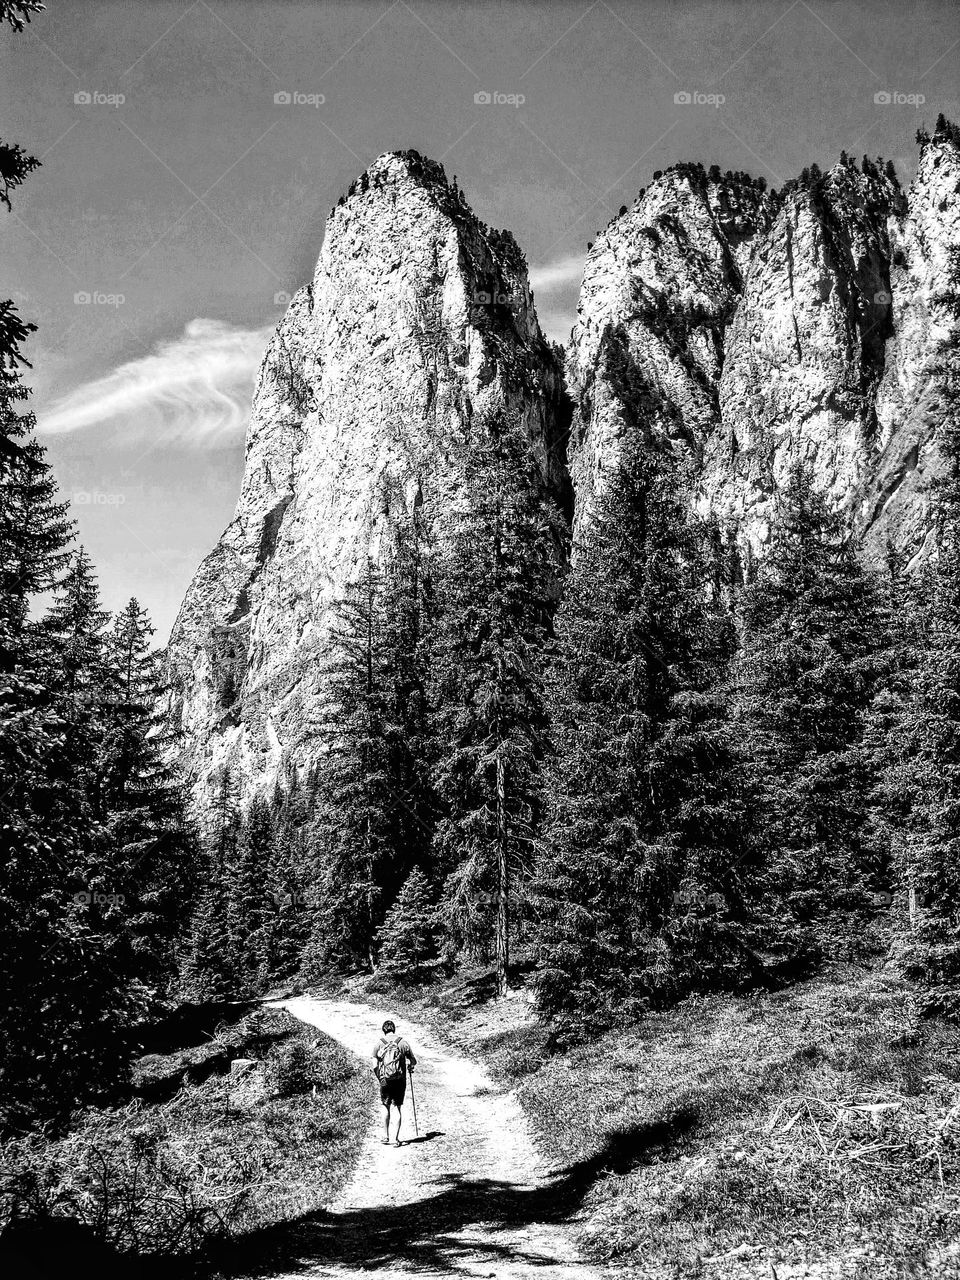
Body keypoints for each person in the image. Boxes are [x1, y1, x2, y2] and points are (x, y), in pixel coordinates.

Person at [371, 1019, 417, 1146]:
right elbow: (413, 1061)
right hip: (399, 1079)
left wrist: (380, 1078)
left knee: (385, 1105)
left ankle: (385, 1136)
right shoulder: (402, 1042)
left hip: (385, 1079)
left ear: (383, 1030)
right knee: (396, 1107)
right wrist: (410, 1066)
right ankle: (395, 1139)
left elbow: (374, 1064)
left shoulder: (379, 1044)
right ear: (394, 1029)